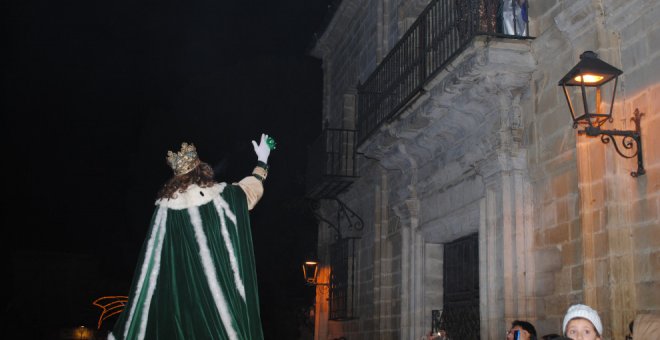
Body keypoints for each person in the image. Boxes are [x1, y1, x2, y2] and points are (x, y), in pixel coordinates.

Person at [109, 134, 275, 340]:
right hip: (216, 311)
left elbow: (149, 266)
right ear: (202, 170)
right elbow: (249, 193)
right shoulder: (221, 199)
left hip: (177, 309)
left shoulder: (164, 210)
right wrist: (262, 160)